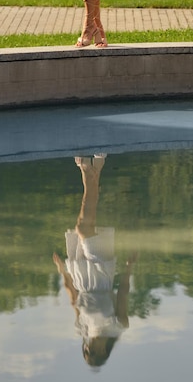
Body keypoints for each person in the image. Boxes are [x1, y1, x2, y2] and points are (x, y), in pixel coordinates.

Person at [52, 154, 136, 368]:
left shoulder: (82, 329)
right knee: (84, 228)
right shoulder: (118, 326)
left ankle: (92, 167)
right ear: (102, 352)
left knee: (85, 220)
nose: (88, 347)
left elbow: (74, 300)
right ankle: (89, 168)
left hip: (80, 275)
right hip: (101, 274)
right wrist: (129, 267)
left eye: (86, 351)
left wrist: (63, 270)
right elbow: (123, 293)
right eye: (92, 352)